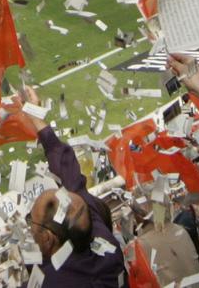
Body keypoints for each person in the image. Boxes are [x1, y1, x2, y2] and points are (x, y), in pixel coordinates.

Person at [20, 87, 124, 288]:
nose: (30, 227)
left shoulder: (46, 283)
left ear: (48, 238)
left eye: (31, 221)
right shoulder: (108, 251)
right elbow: (73, 181)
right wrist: (36, 117)